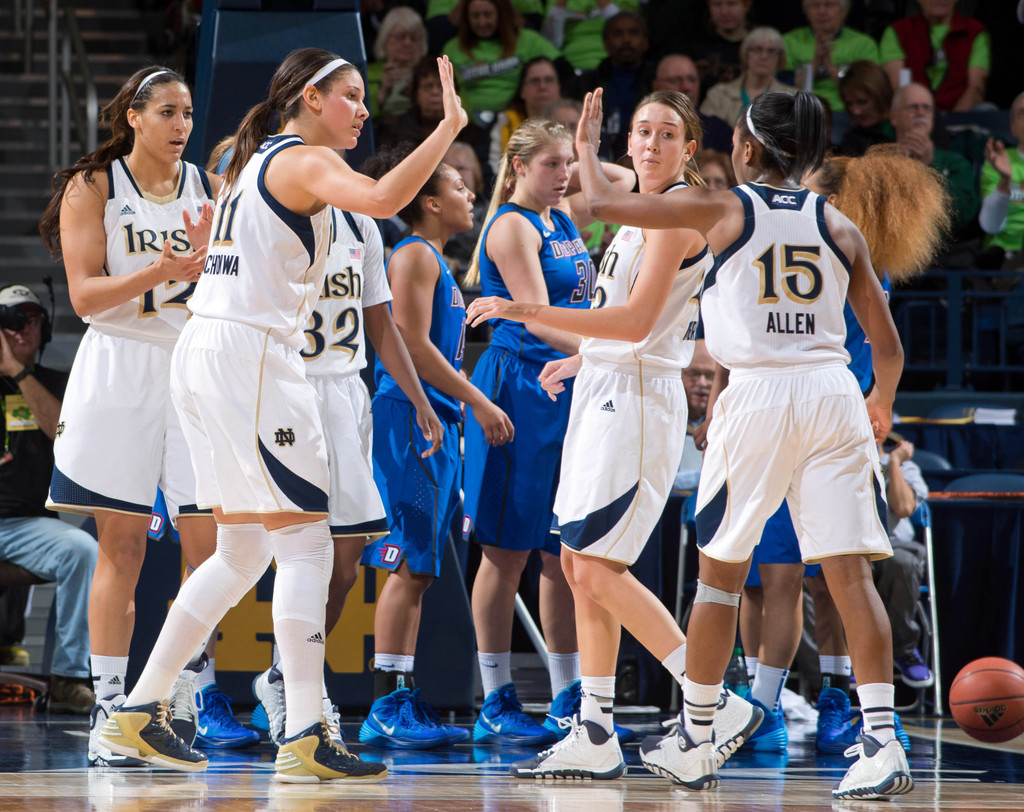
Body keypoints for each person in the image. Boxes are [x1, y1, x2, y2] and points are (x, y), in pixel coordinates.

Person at [96, 48, 467, 783]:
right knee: (305, 546)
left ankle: (136, 711)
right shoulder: (300, 161)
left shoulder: (254, 160)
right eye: (351, 96)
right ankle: (304, 727)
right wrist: (449, 124)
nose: (362, 110)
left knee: (240, 552)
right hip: (252, 356)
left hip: (208, 351)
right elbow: (389, 199)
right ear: (307, 98)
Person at [571, 88, 910, 800]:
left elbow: (601, 208)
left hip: (757, 394)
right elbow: (888, 344)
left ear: (747, 150)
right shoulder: (841, 224)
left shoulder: (724, 209)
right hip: (831, 391)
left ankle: (699, 735)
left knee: (720, 575)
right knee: (848, 577)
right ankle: (881, 742)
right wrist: (879, 402)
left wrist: (585, 144)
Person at [466, 90, 762, 777]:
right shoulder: (639, 217)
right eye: (642, 132)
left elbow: (635, 325)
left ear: (690, 150)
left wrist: (522, 307)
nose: (652, 144)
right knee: (575, 565)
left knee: (597, 567)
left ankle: (713, 694)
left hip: (635, 400)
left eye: (666, 135)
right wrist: (581, 354)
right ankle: (595, 729)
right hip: (605, 383)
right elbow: (617, 315)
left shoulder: (676, 218)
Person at [38, 66, 222, 767]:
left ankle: (170, 698)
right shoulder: (95, 187)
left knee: (209, 550)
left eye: (188, 114)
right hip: (118, 368)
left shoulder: (205, 185)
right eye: (168, 112)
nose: (182, 125)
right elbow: (85, 297)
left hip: (191, 369)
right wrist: (164, 269)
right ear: (135, 117)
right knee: (123, 548)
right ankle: (112, 709)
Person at [461, 117, 632, 748]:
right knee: (506, 552)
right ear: (517, 168)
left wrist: (584, 147)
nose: (565, 177)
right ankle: (496, 696)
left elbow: (629, 181)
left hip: (568, 384)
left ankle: (568, 690)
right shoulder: (511, 225)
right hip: (521, 386)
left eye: (567, 165)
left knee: (563, 551)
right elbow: (536, 320)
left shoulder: (560, 217)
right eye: (551, 165)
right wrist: (611, 344)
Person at [251, 196, 445, 749]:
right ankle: (286, 690)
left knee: (345, 562)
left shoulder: (363, 223)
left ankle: (282, 675)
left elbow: (381, 322)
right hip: (286, 388)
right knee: (277, 553)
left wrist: (421, 401)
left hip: (345, 390)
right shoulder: (268, 209)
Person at [358, 147, 514, 749]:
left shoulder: (438, 262)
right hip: (410, 416)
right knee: (406, 563)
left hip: (434, 420)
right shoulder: (414, 254)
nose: (470, 194)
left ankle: (397, 696)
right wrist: (477, 399)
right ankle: (385, 704)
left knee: (420, 570)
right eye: (459, 185)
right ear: (428, 200)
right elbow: (413, 345)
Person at [0, 285, 97, 715]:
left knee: (82, 549)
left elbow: (65, 436)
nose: (22, 330)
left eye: (32, 320)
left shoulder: (59, 384)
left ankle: (68, 676)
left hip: (27, 526)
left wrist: (18, 374)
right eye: (11, 322)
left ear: (46, 328)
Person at [442, 0, 562, 125]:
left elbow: (564, 70)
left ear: (502, 14)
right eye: (475, 16)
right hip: (467, 124)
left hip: (516, 120)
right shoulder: (452, 48)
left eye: (487, 14)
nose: (482, 22)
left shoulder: (528, 40)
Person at [876, 437, 932, 689]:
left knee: (903, 563)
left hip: (892, 544)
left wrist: (895, 463)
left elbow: (904, 507)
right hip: (850, 546)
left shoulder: (903, 465)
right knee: (804, 574)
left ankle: (904, 650)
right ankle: (835, 665)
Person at [890, 83, 977, 244]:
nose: (921, 113)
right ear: (894, 116)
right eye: (912, 107)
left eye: (927, 108)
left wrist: (930, 166)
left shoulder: (955, 163)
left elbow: (963, 216)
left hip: (942, 256)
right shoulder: (881, 161)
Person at [879, 0, 989, 112]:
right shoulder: (898, 31)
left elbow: (975, 88)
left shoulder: (975, 30)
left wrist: (953, 120)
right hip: (913, 115)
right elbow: (898, 89)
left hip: (959, 116)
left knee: (987, 109)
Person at [782, 0, 879, 113]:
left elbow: (869, 89)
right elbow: (782, 87)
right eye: (815, 5)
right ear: (806, 11)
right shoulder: (789, 42)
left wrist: (832, 69)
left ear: (843, 11)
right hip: (799, 110)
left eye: (829, 5)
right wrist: (814, 65)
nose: (822, 11)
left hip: (846, 112)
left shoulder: (864, 44)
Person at [588, 11, 655, 160]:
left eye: (633, 33)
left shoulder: (657, 81)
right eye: (618, 34)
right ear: (605, 43)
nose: (626, 39)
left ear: (645, 41)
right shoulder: (587, 83)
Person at [701, 27, 795, 130]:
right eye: (758, 49)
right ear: (746, 53)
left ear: (779, 57)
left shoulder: (792, 98)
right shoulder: (718, 94)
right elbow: (706, 134)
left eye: (771, 51)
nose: (764, 56)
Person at [487, 56, 565, 175]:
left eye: (549, 80)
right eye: (535, 81)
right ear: (522, 90)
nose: (542, 87)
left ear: (558, 87)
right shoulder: (505, 121)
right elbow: (494, 169)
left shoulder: (574, 117)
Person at [652, 54, 733, 152]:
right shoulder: (640, 127)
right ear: (656, 86)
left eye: (692, 79)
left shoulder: (718, 131)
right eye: (676, 80)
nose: (687, 86)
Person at [979, 91, 1024, 268]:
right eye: (1023, 113)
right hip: (1007, 262)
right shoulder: (998, 162)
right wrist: (1005, 182)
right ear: (1012, 127)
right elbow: (990, 225)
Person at [542, 0, 642, 73]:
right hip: (569, 67)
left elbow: (625, 28)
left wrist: (603, 3)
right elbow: (552, 44)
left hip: (613, 65)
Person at [367, 6, 430, 119]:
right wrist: (383, 92)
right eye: (400, 37)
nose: (407, 43)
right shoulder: (365, 74)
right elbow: (357, 117)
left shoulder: (436, 72)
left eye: (414, 38)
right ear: (385, 40)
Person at [674, 339, 715, 493]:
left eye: (710, 376)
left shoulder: (727, 423)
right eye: (694, 374)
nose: (702, 383)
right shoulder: (663, 420)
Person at [836, 60, 894, 156]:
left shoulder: (903, 131)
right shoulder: (852, 139)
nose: (855, 111)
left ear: (881, 96)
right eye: (849, 104)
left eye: (862, 102)